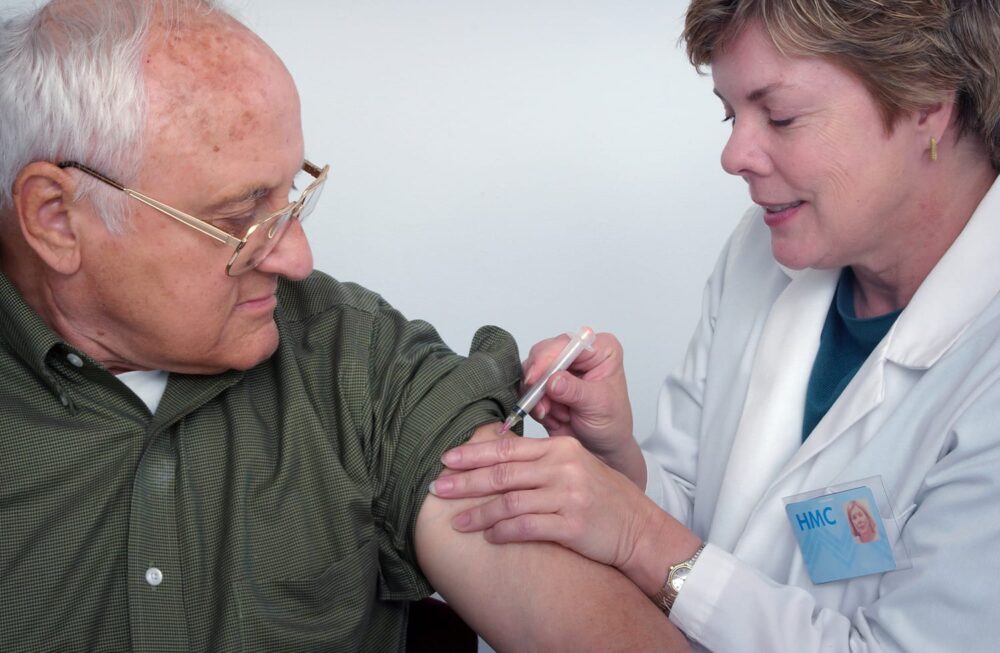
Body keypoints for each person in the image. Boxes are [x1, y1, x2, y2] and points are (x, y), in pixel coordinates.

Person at [0, 1, 688, 651]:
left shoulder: (353, 360)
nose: (298, 258)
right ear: (56, 219)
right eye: (242, 218)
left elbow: (568, 613)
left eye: (293, 191)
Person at [430, 0, 1000, 650]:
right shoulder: (765, 251)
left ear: (929, 97)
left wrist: (638, 533)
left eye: (779, 116)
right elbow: (710, 528)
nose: (733, 155)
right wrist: (623, 466)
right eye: (732, 115)